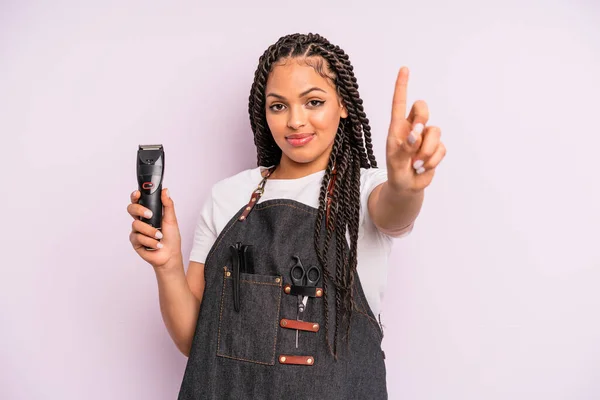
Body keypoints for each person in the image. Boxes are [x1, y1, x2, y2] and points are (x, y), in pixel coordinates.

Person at [127, 32, 445, 399]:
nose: (295, 121)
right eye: (278, 106)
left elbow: (394, 214)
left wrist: (407, 188)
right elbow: (192, 341)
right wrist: (166, 266)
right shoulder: (227, 196)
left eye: (313, 102)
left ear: (343, 104)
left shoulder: (366, 189)